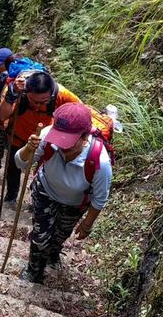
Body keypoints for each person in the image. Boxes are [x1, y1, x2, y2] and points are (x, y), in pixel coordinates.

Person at [15, 102, 113, 283]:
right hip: (45, 191)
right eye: (59, 140)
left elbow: (99, 199)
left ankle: (53, 254)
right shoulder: (46, 136)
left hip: (75, 204)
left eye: (68, 144)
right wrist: (28, 148)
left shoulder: (100, 161)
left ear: (85, 137)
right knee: (41, 236)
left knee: (60, 234)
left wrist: (86, 225)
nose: (61, 146)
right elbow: (21, 164)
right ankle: (34, 270)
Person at [0, 71, 80, 204]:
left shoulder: (62, 95)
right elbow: (2, 115)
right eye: (33, 101)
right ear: (27, 93)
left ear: (51, 94)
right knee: (13, 167)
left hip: (45, 141)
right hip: (18, 136)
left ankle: (38, 199)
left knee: (44, 171)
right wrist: (11, 94)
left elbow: (80, 112)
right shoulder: (17, 90)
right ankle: (11, 196)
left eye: (44, 102)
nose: (38, 106)